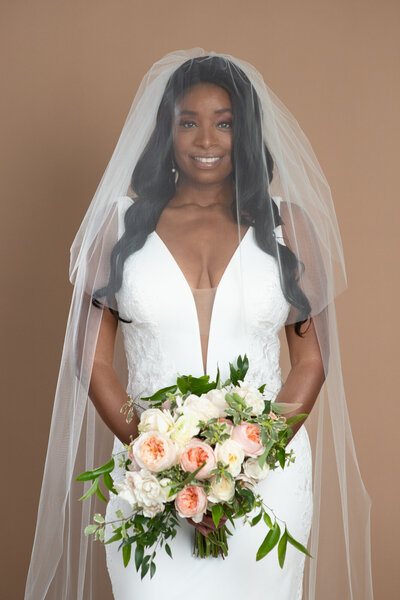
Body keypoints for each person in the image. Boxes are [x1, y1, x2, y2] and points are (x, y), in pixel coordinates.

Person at [25, 49, 373, 600]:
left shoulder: (289, 226)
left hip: (266, 482)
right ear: (166, 131)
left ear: (247, 132)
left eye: (225, 123)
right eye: (189, 122)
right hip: (150, 476)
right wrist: (161, 464)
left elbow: (314, 359)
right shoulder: (117, 228)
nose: (206, 139)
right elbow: (90, 359)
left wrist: (246, 463)